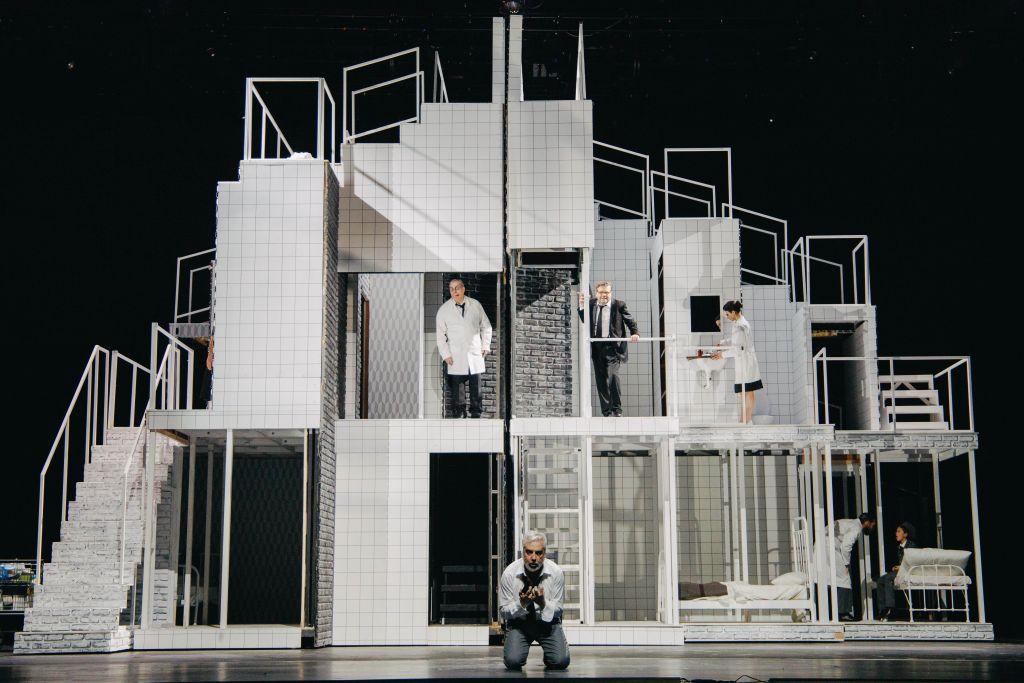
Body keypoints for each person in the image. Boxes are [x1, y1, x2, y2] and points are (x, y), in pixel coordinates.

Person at [499, 532, 569, 671]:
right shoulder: (509, 573)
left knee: (560, 662)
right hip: (520, 624)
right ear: (523, 551)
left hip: (548, 624)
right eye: (529, 552)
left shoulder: (556, 572)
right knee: (513, 662)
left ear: (545, 553)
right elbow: (503, 612)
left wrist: (543, 603)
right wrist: (521, 604)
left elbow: (559, 610)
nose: (533, 558)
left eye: (538, 553)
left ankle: (550, 654)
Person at [577, 281, 639, 417]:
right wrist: (581, 306)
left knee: (613, 376)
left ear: (610, 293)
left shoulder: (618, 305)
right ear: (597, 293)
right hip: (597, 347)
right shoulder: (591, 304)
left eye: (606, 292)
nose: (604, 295)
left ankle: (617, 409)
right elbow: (585, 320)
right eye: (601, 292)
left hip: (613, 347)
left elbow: (629, 320)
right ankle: (606, 411)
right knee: (601, 380)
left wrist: (634, 333)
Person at [436, 279, 492, 418]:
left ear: (463, 289)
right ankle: (460, 414)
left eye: (457, 288)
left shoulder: (475, 305)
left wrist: (485, 345)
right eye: (451, 289)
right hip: (456, 355)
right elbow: (440, 336)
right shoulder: (444, 310)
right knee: (458, 388)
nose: (454, 291)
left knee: (476, 387)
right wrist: (446, 354)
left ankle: (476, 414)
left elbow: (486, 326)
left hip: (474, 352)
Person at [712, 300, 762, 423]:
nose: (727, 316)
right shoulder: (738, 323)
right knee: (743, 392)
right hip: (744, 361)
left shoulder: (740, 326)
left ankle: (746, 420)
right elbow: (736, 341)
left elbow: (738, 349)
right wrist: (723, 343)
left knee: (748, 391)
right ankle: (744, 419)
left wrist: (722, 355)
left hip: (746, 362)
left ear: (733, 312)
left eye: (727, 314)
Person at [824, 513, 877, 621]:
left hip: (822, 547)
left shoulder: (849, 522)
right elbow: (846, 546)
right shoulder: (856, 528)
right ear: (867, 522)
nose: (872, 528)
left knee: (827, 579)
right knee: (845, 579)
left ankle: (829, 611)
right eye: (872, 525)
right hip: (830, 548)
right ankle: (843, 612)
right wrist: (847, 564)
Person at [876, 521, 918, 621]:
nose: (896, 533)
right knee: (880, 580)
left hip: (908, 571)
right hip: (901, 571)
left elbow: (912, 562)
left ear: (905, 534)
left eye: (899, 531)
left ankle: (890, 607)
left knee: (888, 578)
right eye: (896, 531)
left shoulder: (911, 546)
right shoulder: (899, 547)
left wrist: (900, 567)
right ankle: (882, 609)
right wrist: (898, 567)